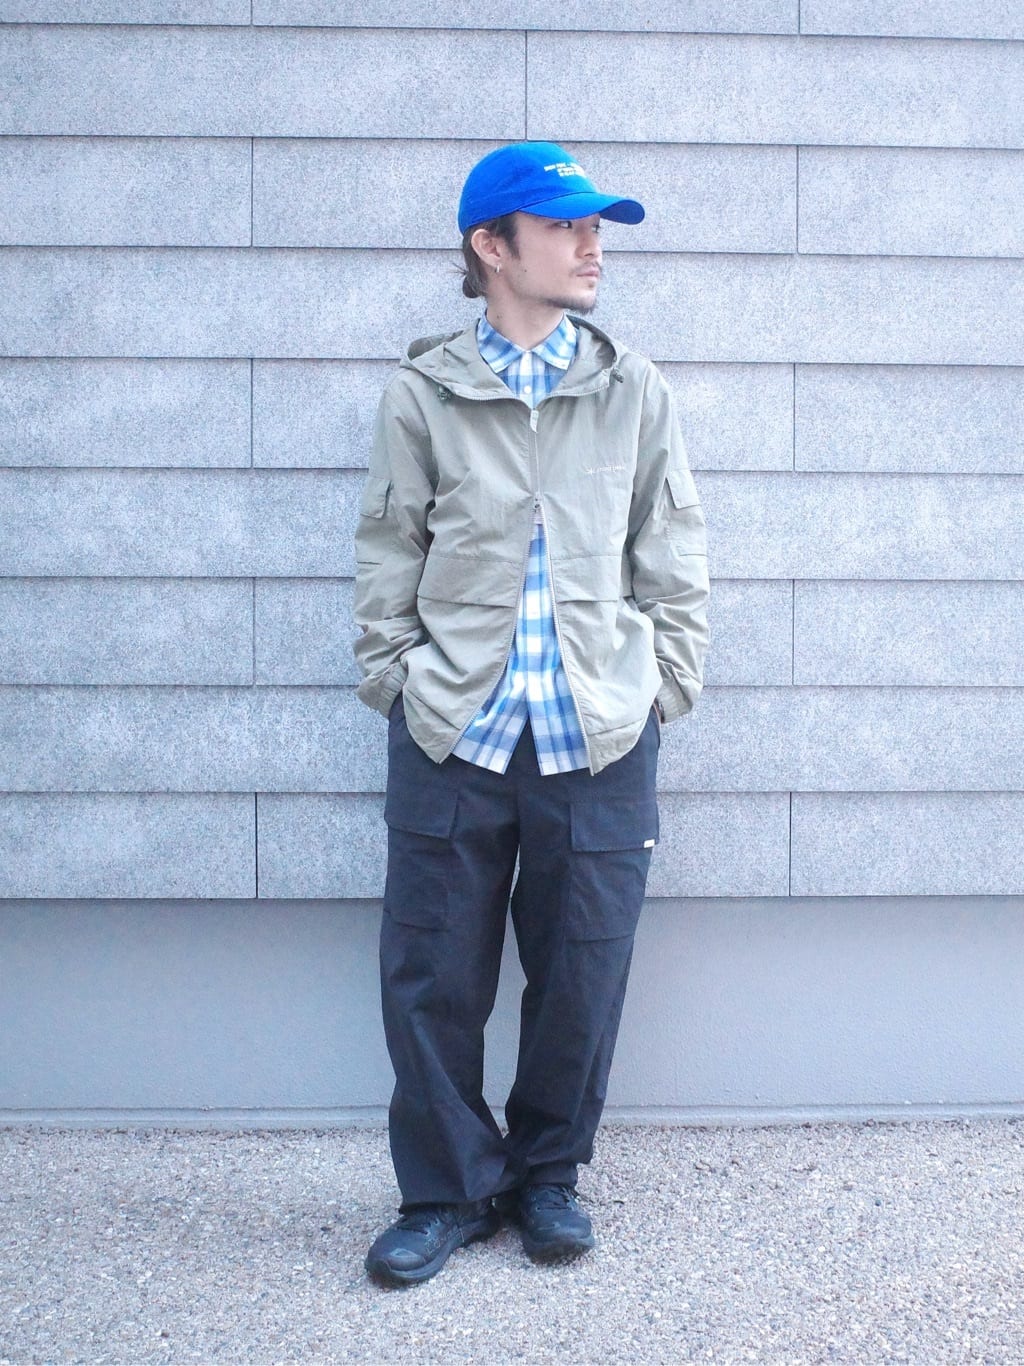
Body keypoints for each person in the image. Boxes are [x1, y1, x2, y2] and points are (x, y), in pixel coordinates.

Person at [353, 141, 709, 1287]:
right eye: (564, 226)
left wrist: (663, 687)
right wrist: (396, 679)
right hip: (453, 730)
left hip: (596, 732)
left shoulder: (632, 389)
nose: (591, 245)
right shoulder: (423, 394)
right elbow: (387, 548)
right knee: (431, 975)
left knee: (582, 974)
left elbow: (672, 549)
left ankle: (548, 1176)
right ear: (491, 246)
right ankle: (446, 1190)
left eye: (596, 226)